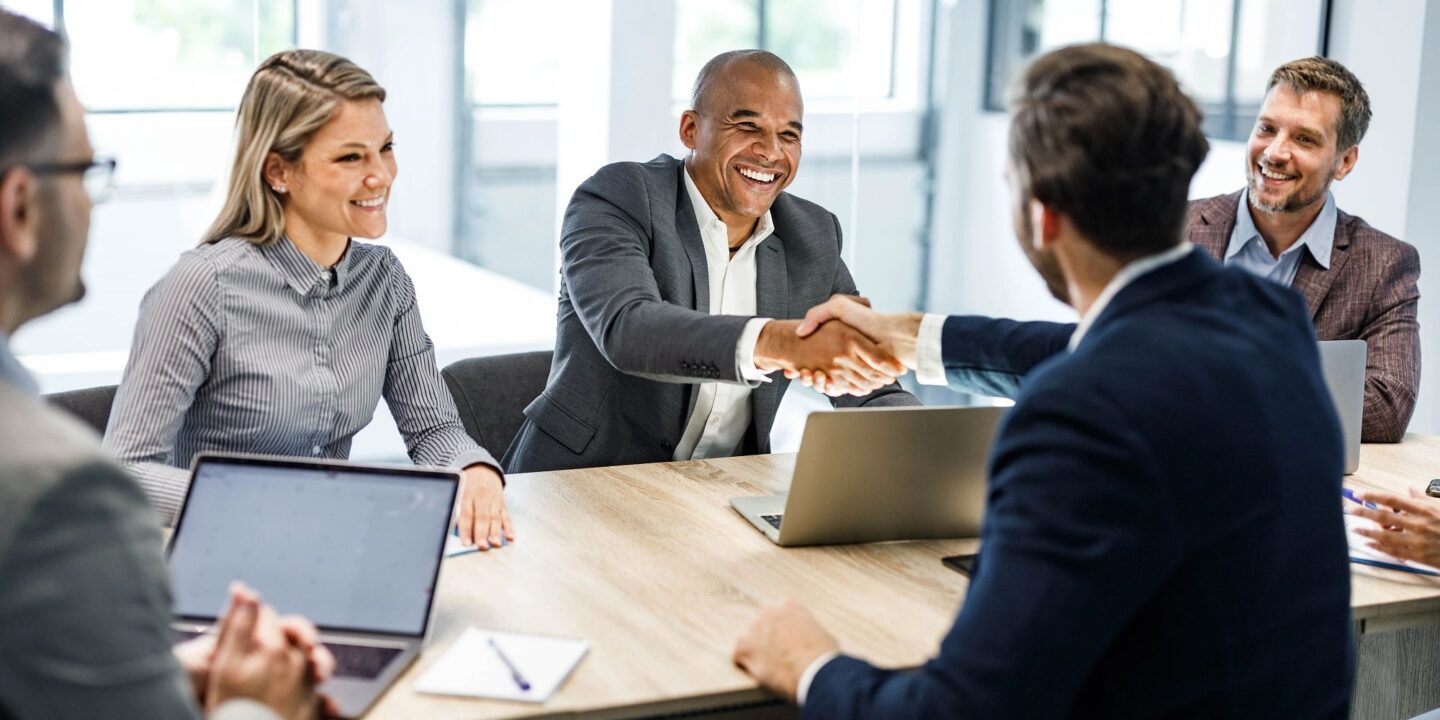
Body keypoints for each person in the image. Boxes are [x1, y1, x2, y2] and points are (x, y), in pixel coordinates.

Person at [734, 43, 1355, 717]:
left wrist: (812, 666)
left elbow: (964, 711)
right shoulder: (1268, 320)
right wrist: (911, 336)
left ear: (1043, 214)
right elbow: (1089, 349)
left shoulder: (1081, 414)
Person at [0, 10, 333, 717]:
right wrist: (255, 704)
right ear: (19, 208)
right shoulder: (60, 495)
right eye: (87, 171)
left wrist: (137, 672)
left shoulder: (382, 281)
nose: (92, 202)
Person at [103, 50, 509, 549]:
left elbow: (434, 429)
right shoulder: (203, 286)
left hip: (324, 546)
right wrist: (273, 504)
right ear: (278, 171)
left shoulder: (384, 281)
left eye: (386, 148)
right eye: (350, 157)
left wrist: (474, 470)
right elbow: (126, 472)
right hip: (214, 551)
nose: (380, 175)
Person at [503, 50, 914, 474]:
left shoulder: (812, 234)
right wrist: (780, 343)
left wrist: (933, 449)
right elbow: (629, 329)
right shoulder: (620, 197)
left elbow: (865, 380)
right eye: (748, 126)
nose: (771, 152)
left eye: (789, 135)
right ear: (690, 129)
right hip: (581, 486)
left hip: (719, 495)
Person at [1186, 57, 1420, 442]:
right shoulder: (1180, 229)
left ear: (1345, 161)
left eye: (1304, 139)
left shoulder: (1383, 264)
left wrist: (1227, 387)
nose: (1275, 152)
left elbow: (1386, 406)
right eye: (1267, 128)